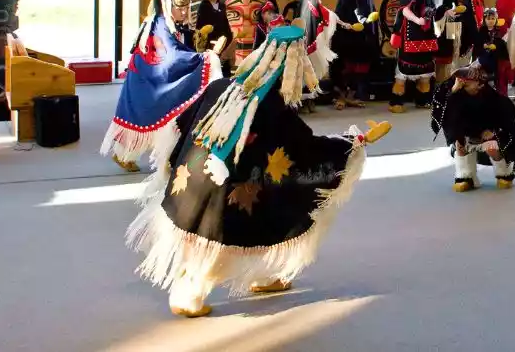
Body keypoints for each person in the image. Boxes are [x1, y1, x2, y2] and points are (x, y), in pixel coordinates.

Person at [127, 24, 391, 317]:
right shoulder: (273, 108)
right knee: (250, 220)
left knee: (250, 215)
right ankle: (194, 293)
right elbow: (306, 151)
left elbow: (182, 125)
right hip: (226, 189)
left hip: (193, 178)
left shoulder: (220, 87)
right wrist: (354, 143)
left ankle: (255, 277)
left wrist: (171, 162)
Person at [101, 0, 222, 172]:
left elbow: (177, 48)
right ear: (167, 4)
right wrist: (205, 58)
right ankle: (127, 154)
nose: (185, 12)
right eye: (180, 8)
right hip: (146, 82)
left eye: (186, 8)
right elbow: (171, 59)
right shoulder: (160, 25)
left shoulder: (166, 23)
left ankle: (128, 154)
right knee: (149, 116)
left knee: (147, 117)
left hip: (145, 80)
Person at [431, 62, 515, 192]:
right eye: (476, 83)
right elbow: (445, 115)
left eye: (481, 83)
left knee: (491, 146)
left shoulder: (488, 94)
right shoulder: (453, 94)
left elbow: (501, 115)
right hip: (466, 132)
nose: (480, 85)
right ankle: (465, 177)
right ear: (462, 83)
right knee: (460, 143)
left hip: (487, 130)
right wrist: (453, 91)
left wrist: (491, 130)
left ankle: (504, 174)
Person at [389, 0, 437, 112]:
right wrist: (418, 20)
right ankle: (396, 102)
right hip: (411, 34)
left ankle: (422, 100)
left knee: (425, 71)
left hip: (425, 34)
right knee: (404, 71)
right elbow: (405, 10)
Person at [330, 0, 380, 109]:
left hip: (363, 37)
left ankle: (351, 96)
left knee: (359, 69)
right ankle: (340, 97)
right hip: (348, 37)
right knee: (346, 68)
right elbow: (340, 14)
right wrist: (352, 25)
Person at [297, 0, 337, 114]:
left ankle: (309, 100)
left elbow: (321, 15)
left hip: (309, 40)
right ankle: (304, 101)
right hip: (308, 41)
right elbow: (307, 22)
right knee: (307, 70)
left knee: (310, 70)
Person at [427, 0, 468, 85]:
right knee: (436, 61)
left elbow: (454, 4)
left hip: (450, 27)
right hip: (435, 28)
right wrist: (445, 11)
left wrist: (456, 11)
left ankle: (445, 86)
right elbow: (430, 7)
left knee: (449, 59)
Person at [195, 0, 235, 72]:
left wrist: (230, 45)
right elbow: (200, 31)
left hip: (224, 48)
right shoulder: (203, 7)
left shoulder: (222, 5)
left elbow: (226, 25)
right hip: (210, 50)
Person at [473, 7, 509, 91]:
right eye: (488, 19)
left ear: (496, 20)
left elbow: (501, 45)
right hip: (483, 57)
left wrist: (497, 46)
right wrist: (484, 46)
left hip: (495, 58)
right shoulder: (481, 31)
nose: (491, 21)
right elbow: (477, 46)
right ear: (484, 20)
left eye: (493, 19)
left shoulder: (498, 31)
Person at [457, 0, 485, 68]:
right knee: (469, 65)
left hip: (478, 35)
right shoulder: (468, 1)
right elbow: (468, 22)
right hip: (470, 37)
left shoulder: (480, 1)